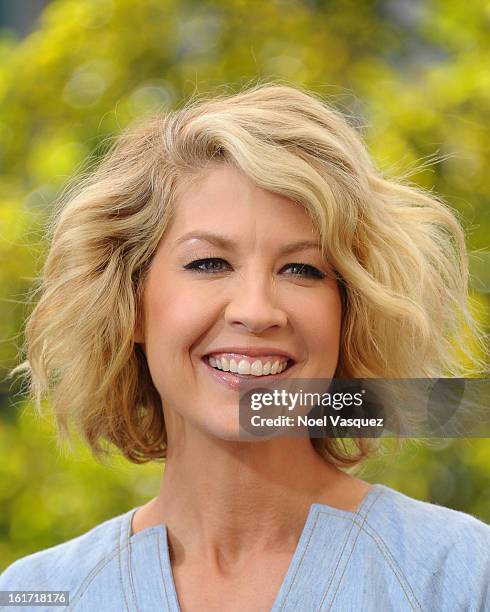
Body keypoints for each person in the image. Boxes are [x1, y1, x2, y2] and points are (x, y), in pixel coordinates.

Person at [1, 83, 489, 611]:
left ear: (349, 312)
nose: (256, 311)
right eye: (209, 263)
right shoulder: (39, 594)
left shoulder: (458, 575)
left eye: (302, 269)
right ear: (131, 303)